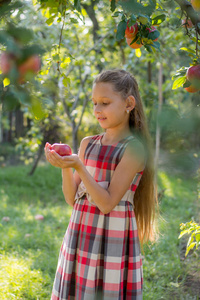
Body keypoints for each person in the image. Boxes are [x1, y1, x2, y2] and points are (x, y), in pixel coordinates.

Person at [45, 69, 157, 300]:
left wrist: (79, 166)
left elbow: (106, 203)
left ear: (128, 103)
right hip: (81, 231)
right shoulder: (88, 144)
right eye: (94, 103)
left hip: (111, 237)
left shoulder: (133, 149)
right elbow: (71, 198)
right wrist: (66, 166)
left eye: (105, 103)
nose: (97, 110)